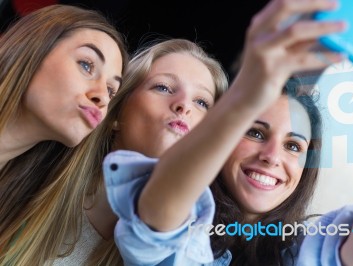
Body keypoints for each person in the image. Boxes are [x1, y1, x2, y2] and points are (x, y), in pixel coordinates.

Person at [103, 0, 353, 265]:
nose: (272, 157)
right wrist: (244, 98)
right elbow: (159, 219)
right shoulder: (181, 219)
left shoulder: (304, 248)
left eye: (293, 146)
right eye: (256, 133)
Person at [0, 38, 228, 265]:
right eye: (164, 87)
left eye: (202, 103)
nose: (184, 106)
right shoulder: (28, 175)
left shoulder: (193, 253)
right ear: (116, 114)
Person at [0, 4, 128, 264]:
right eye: (86, 65)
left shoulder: (20, 202)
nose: (102, 96)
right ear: (32, 48)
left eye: (112, 90)